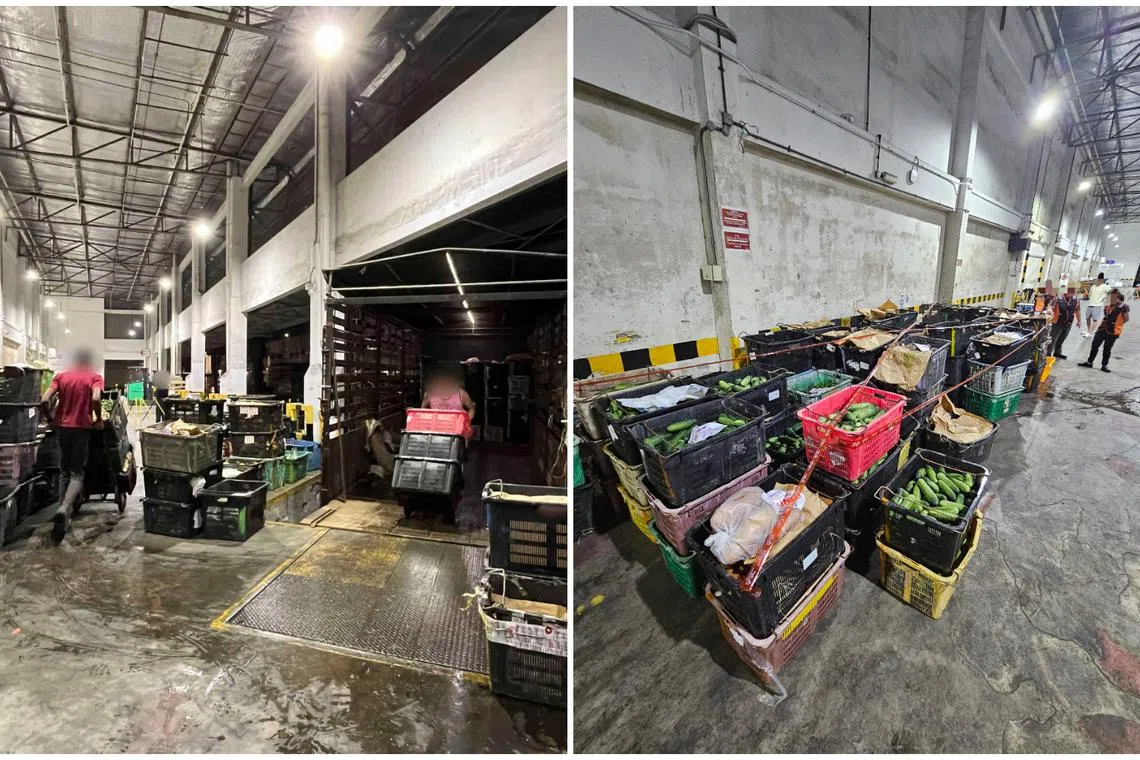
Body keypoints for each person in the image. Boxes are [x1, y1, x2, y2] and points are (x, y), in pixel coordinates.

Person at [41, 348, 104, 542]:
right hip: (81, 428)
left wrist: (50, 418)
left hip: (62, 428)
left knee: (64, 471)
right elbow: (95, 398)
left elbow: (44, 399)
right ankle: (63, 508)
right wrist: (99, 418)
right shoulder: (94, 377)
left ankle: (63, 515)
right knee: (77, 473)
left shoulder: (62, 376)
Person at [1079, 289, 1130, 373]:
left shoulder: (1124, 306)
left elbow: (1126, 319)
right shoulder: (1108, 304)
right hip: (1102, 328)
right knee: (1095, 345)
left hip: (1113, 331)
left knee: (1107, 348)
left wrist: (1116, 323)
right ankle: (1089, 362)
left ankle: (1104, 365)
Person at [421, 369, 476, 440]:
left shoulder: (461, 394)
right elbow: (422, 410)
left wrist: (466, 422)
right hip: (437, 429)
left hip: (457, 430)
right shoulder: (429, 394)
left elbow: (471, 408)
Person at [1051, 287, 1081, 359]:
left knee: (1062, 338)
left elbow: (1078, 310)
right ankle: (1048, 354)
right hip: (1057, 323)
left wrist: (1079, 321)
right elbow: (1051, 308)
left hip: (1068, 323)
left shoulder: (1076, 300)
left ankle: (1057, 352)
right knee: (1052, 339)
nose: (1068, 294)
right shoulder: (1057, 299)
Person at [1084, 272, 1113, 337]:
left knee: (1095, 319)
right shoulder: (1093, 286)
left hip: (1097, 305)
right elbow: (1089, 295)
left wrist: (1107, 300)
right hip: (1090, 304)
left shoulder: (1106, 287)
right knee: (1087, 318)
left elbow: (1111, 292)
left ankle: (1090, 333)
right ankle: (1088, 330)